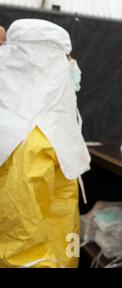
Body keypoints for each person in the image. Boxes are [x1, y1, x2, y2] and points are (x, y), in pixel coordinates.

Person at [0, 19, 90, 268]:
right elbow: (20, 251)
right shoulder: (27, 144)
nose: (72, 65)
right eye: (66, 57)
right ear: (45, 64)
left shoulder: (51, 135)